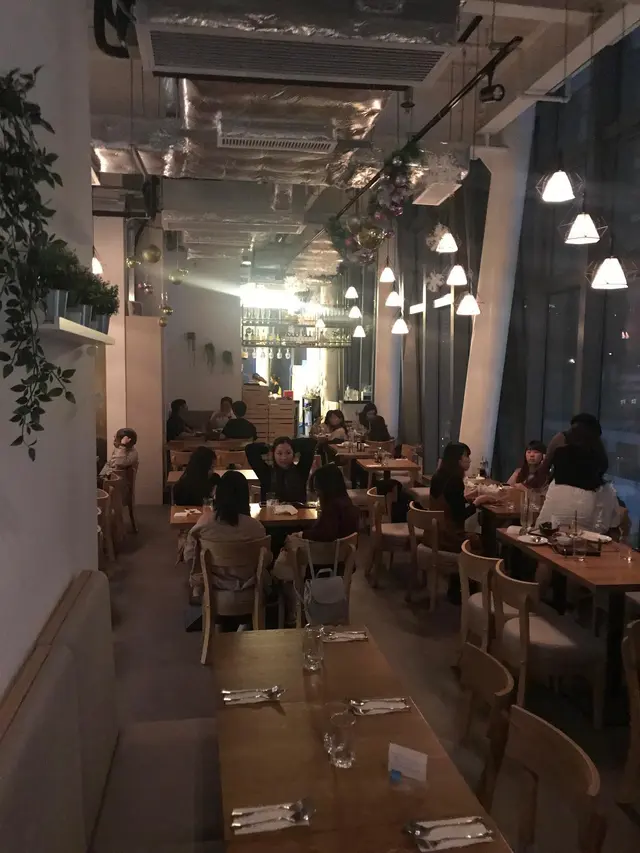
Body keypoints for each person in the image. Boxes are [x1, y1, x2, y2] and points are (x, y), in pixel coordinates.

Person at [536, 418, 616, 531]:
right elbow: (604, 526)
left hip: (543, 532)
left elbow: (543, 468)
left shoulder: (556, 482)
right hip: (582, 537)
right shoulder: (603, 488)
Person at [183, 471, 267, 563]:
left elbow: (189, 555)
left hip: (210, 572)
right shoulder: (256, 527)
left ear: (218, 493)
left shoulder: (205, 522)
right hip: (248, 572)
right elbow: (265, 560)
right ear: (246, 495)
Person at [427, 442, 493, 553]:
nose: (469, 460)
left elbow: (450, 502)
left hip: (434, 534)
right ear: (457, 459)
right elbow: (460, 516)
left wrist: (468, 497)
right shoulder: (455, 481)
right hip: (449, 538)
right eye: (466, 456)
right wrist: (477, 501)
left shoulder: (438, 476)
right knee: (487, 540)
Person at [246, 436, 317, 504]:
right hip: (271, 511)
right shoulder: (266, 473)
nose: (284, 457)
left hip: (298, 511)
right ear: (274, 454)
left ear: (293, 454)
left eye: (288, 453)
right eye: (279, 453)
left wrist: (290, 443)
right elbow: (250, 449)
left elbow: (310, 443)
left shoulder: (301, 470)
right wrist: (270, 447)